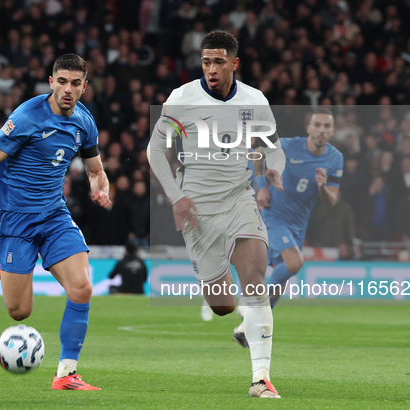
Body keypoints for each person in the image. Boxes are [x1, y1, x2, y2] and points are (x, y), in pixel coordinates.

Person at [148, 31, 285, 399]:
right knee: (223, 306)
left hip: (239, 197)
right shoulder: (182, 98)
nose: (211, 68)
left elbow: (274, 147)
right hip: (197, 210)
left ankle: (261, 378)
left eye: (219, 62)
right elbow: (154, 151)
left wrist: (274, 167)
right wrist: (176, 197)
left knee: (256, 274)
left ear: (234, 63)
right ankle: (233, 300)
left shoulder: (254, 100)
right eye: (206, 61)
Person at [0, 54, 110, 391]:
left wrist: (99, 186)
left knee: (82, 288)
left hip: (54, 216)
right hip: (16, 220)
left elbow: (95, 168)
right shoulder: (27, 116)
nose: (67, 89)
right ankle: (7, 267)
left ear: (84, 86)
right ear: (51, 82)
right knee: (20, 313)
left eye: (75, 83)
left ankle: (65, 373)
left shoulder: (84, 122)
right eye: (61, 81)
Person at [254, 109, 343, 309]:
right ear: (309, 128)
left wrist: (322, 187)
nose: (321, 130)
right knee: (295, 263)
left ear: (332, 131)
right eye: (317, 125)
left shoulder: (335, 158)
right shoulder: (287, 145)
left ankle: (246, 328)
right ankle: (254, 305)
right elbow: (257, 154)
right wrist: (261, 188)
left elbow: (331, 201)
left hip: (298, 224)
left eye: (326, 126)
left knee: (282, 279)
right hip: (274, 214)